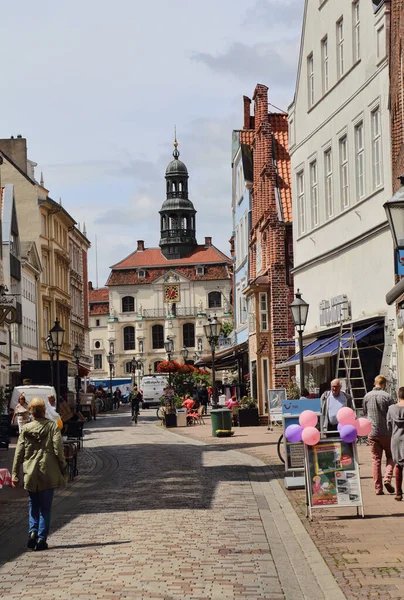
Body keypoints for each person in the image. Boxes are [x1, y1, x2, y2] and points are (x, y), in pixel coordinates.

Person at [11, 398, 67, 551]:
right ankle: (41, 539)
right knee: (46, 508)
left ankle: (32, 532)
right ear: (44, 411)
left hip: (30, 472)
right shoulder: (52, 427)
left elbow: (18, 454)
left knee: (33, 505)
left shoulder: (26, 429)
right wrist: (63, 466)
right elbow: (58, 450)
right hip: (48, 472)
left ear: (31, 412)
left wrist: (15, 474)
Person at [363, 375, 395, 495]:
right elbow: (392, 413)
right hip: (387, 432)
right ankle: (387, 478)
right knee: (391, 457)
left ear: (374, 384)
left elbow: (365, 412)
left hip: (372, 432)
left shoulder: (367, 396)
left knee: (376, 460)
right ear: (384, 384)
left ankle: (378, 488)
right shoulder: (387, 396)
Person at [387, 387, 404, 501]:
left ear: (398, 396)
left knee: (398, 465)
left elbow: (388, 425)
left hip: (396, 439)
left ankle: (398, 493)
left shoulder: (391, 409)